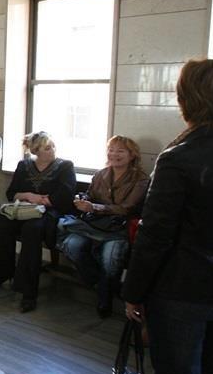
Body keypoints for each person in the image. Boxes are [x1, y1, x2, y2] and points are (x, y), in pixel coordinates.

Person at [123, 59, 213, 374]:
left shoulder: (178, 157)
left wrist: (134, 292)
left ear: (186, 97)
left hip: (182, 291)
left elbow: (154, 236)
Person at [56, 136, 149, 318]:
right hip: (93, 225)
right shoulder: (101, 174)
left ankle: (104, 297)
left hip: (119, 228)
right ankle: (101, 285)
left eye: (120, 151)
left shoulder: (141, 179)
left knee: (110, 258)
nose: (114, 154)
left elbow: (127, 208)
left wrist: (96, 207)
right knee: (71, 245)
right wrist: (83, 200)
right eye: (111, 150)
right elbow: (90, 195)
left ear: (132, 155)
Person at [0, 131, 76, 313]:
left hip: (48, 213)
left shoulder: (65, 166)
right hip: (23, 209)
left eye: (53, 146)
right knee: (3, 223)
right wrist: (29, 196)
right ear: (36, 151)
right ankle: (3, 273)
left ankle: (28, 290)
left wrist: (42, 201)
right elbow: (12, 193)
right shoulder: (24, 165)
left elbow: (65, 195)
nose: (52, 150)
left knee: (32, 230)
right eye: (47, 148)